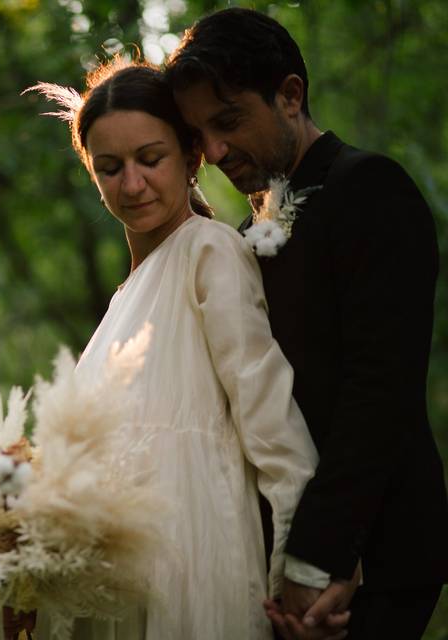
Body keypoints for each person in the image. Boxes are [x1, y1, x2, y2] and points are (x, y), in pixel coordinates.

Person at [0, 59, 319, 639]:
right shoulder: (124, 298)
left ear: (191, 157)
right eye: (109, 168)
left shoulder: (209, 253)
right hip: (114, 591)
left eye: (150, 159)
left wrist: (304, 570)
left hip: (192, 568)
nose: (131, 184)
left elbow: (273, 426)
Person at [165, 8, 448, 640]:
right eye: (199, 133)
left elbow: (379, 393)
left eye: (228, 120)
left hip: (374, 548)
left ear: (290, 95)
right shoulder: (242, 236)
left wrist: (316, 559)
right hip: (275, 560)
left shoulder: (371, 187)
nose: (213, 151)